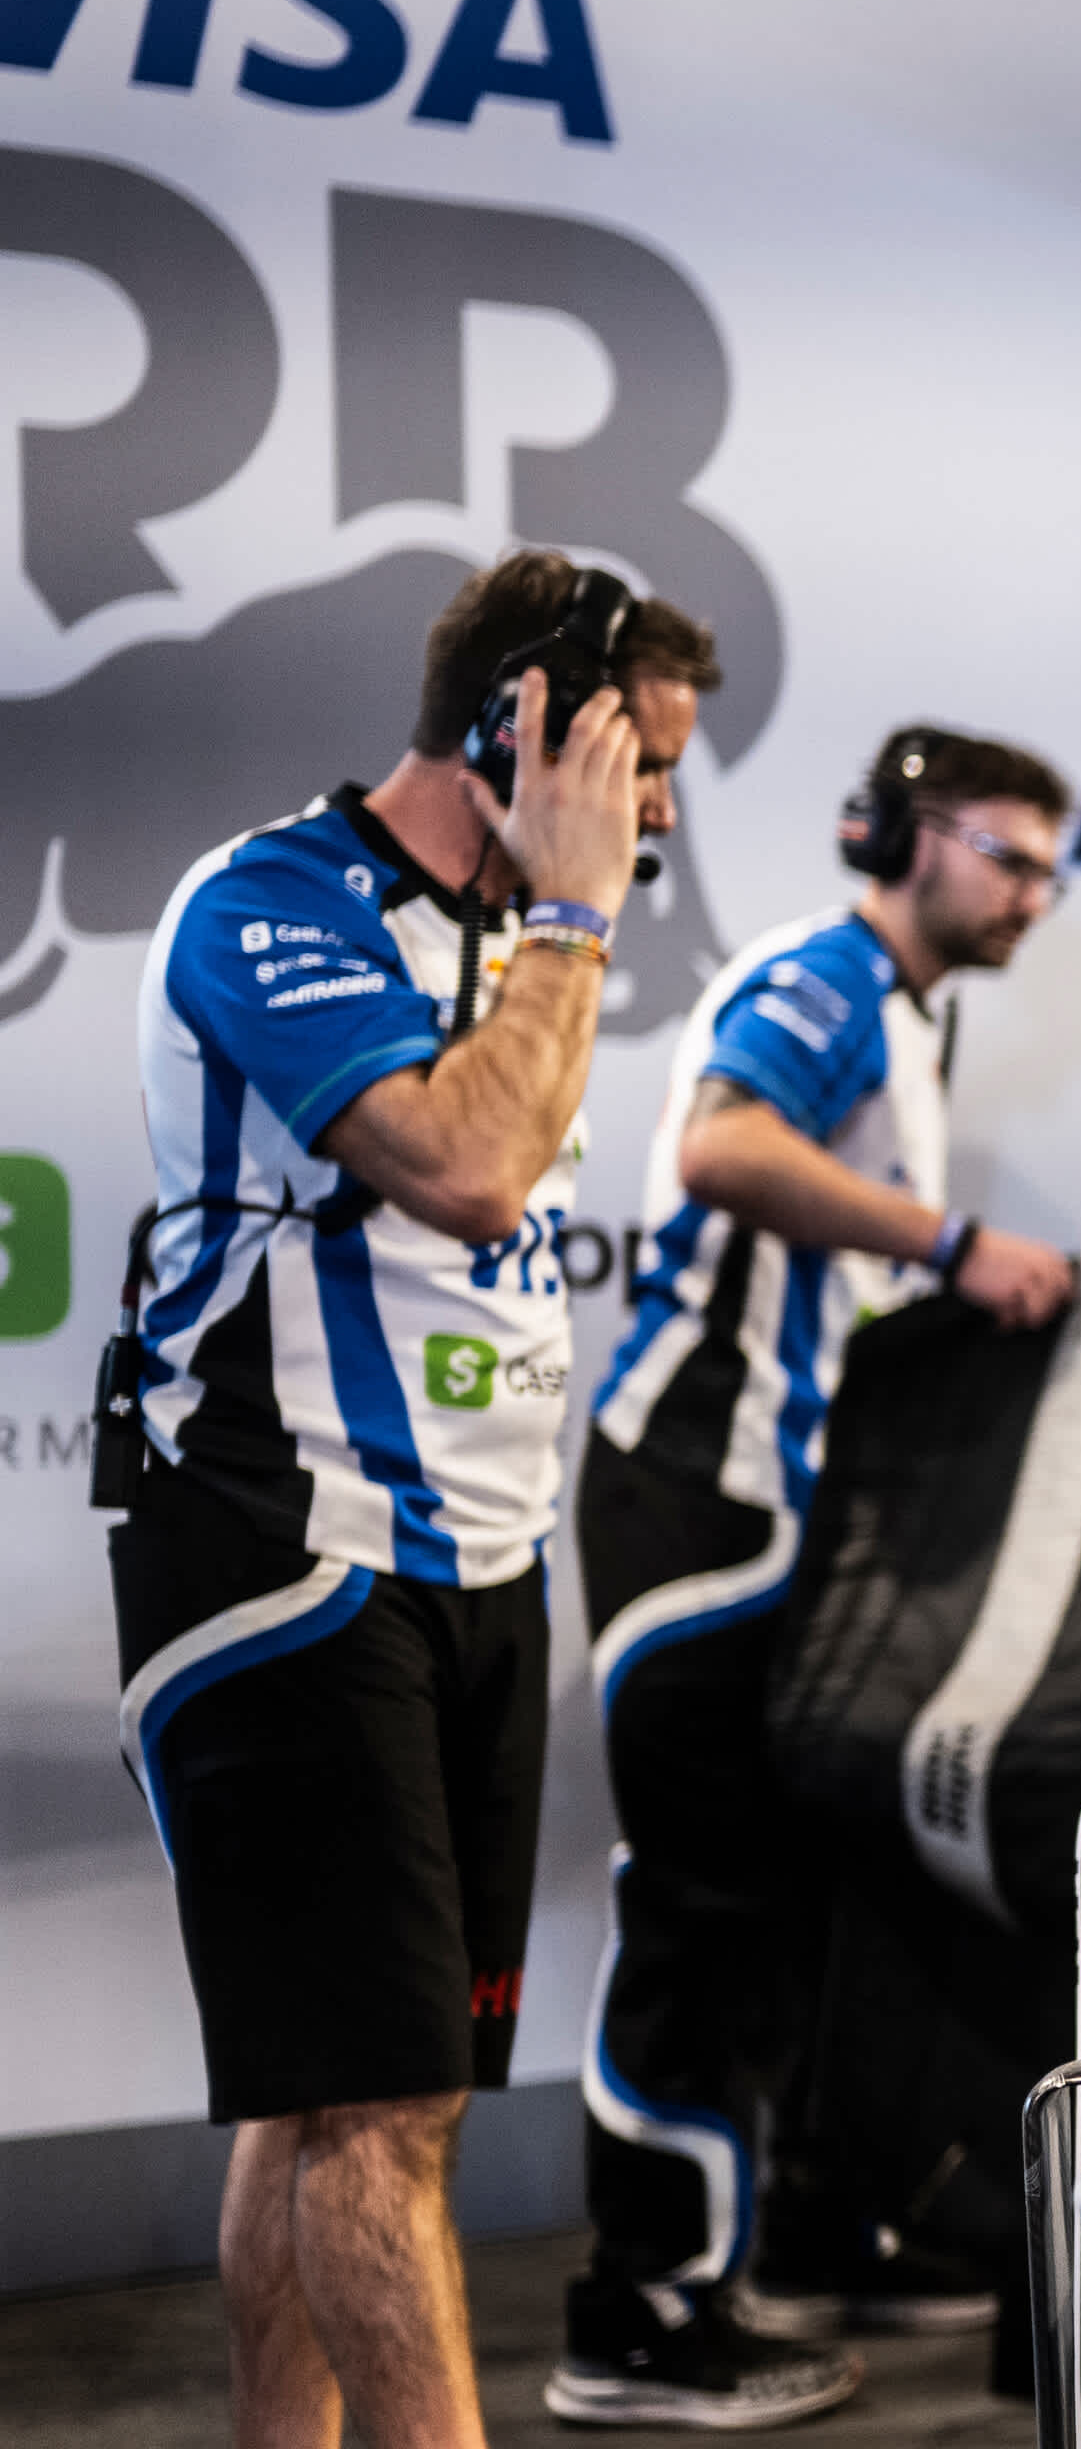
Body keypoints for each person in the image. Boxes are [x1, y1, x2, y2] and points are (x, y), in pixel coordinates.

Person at [113, 548, 698, 2448]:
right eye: (637, 765)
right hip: (285, 1559)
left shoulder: (528, 938)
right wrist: (577, 919)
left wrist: (560, 923)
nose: (655, 818)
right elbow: (464, 1168)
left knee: (328, 2089)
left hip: (477, 1560)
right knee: (384, 2108)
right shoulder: (275, 901)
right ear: (521, 725)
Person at [550, 728, 1079, 2427]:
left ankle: (806, 2233)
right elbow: (723, 1149)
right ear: (906, 837)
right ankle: (637, 2318)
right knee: (701, 1913)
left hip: (775, 1513)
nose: (1035, 895)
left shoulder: (910, 1012)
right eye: (1010, 856)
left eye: (1049, 868)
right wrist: (953, 1246)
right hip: (695, 1502)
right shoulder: (828, 977)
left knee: (804, 1900)